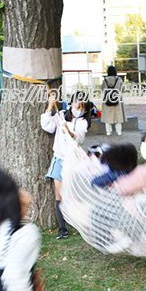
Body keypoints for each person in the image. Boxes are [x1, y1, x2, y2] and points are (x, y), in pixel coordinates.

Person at [42, 91, 90, 239]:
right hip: (59, 159)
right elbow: (47, 126)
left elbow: (78, 138)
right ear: (71, 103)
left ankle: (82, 222)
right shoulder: (61, 115)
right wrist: (50, 106)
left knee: (75, 193)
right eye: (76, 103)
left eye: (82, 106)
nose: (78, 107)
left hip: (74, 161)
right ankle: (62, 229)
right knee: (59, 195)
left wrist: (68, 130)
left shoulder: (83, 122)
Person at [101, 65, 125, 136]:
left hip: (107, 99)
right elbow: (123, 88)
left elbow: (102, 89)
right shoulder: (119, 79)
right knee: (118, 117)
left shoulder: (105, 80)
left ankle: (108, 132)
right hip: (117, 99)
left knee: (107, 116)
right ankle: (119, 132)